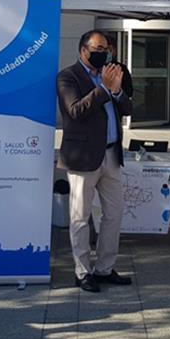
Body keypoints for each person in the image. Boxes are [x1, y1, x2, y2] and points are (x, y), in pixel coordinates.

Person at [57, 30, 135, 294]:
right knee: (81, 217)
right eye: (98, 48)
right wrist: (103, 89)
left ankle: (104, 268)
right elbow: (75, 110)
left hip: (111, 155)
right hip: (83, 158)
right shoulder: (68, 76)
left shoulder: (112, 75)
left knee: (114, 214)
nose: (104, 52)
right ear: (83, 50)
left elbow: (128, 109)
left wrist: (115, 91)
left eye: (107, 48)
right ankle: (82, 272)